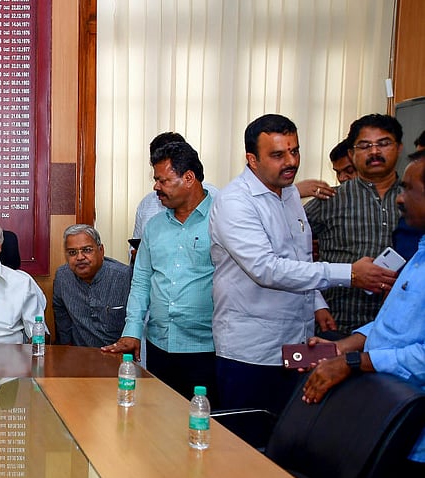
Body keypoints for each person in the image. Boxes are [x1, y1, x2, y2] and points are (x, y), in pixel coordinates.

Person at [208, 113, 397, 414]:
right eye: (278, 155)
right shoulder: (235, 202)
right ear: (252, 160)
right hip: (252, 350)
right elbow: (267, 269)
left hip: (298, 343)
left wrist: (317, 304)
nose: (291, 162)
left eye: (294, 151)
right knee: (245, 443)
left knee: (287, 438)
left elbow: (300, 258)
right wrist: (349, 274)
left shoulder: (288, 193)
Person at [301, 151, 425, 478]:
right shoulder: (419, 253)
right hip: (384, 422)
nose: (400, 198)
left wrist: (354, 364)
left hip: (415, 442)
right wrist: (343, 347)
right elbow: (392, 327)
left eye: (408, 189)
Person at [102, 142, 217, 401]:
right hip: (160, 346)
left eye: (162, 180)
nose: (156, 187)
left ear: (188, 178)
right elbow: (141, 281)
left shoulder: (222, 218)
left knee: (204, 425)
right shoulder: (154, 226)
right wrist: (132, 331)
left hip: (207, 348)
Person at [305, 114, 405, 337]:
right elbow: (286, 248)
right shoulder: (330, 199)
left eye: (383, 143)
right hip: (340, 325)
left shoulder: (415, 198)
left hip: (404, 328)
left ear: (399, 148)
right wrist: (315, 302)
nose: (375, 152)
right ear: (352, 153)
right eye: (365, 145)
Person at [52, 224, 131, 348]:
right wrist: (65, 346)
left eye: (87, 250)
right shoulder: (63, 277)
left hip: (119, 357)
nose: (79, 257)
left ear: (101, 250)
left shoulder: (124, 277)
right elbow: (60, 311)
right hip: (80, 356)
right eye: (72, 252)